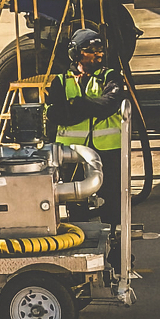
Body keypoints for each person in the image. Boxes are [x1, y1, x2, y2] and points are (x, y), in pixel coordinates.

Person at [49, 25, 126, 215]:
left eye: (100, 50)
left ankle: (114, 233)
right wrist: (92, 108)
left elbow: (108, 105)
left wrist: (76, 104)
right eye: (90, 51)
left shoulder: (110, 76)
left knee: (113, 201)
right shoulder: (60, 81)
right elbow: (56, 115)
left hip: (108, 150)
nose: (97, 55)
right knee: (74, 201)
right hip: (71, 153)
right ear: (75, 53)